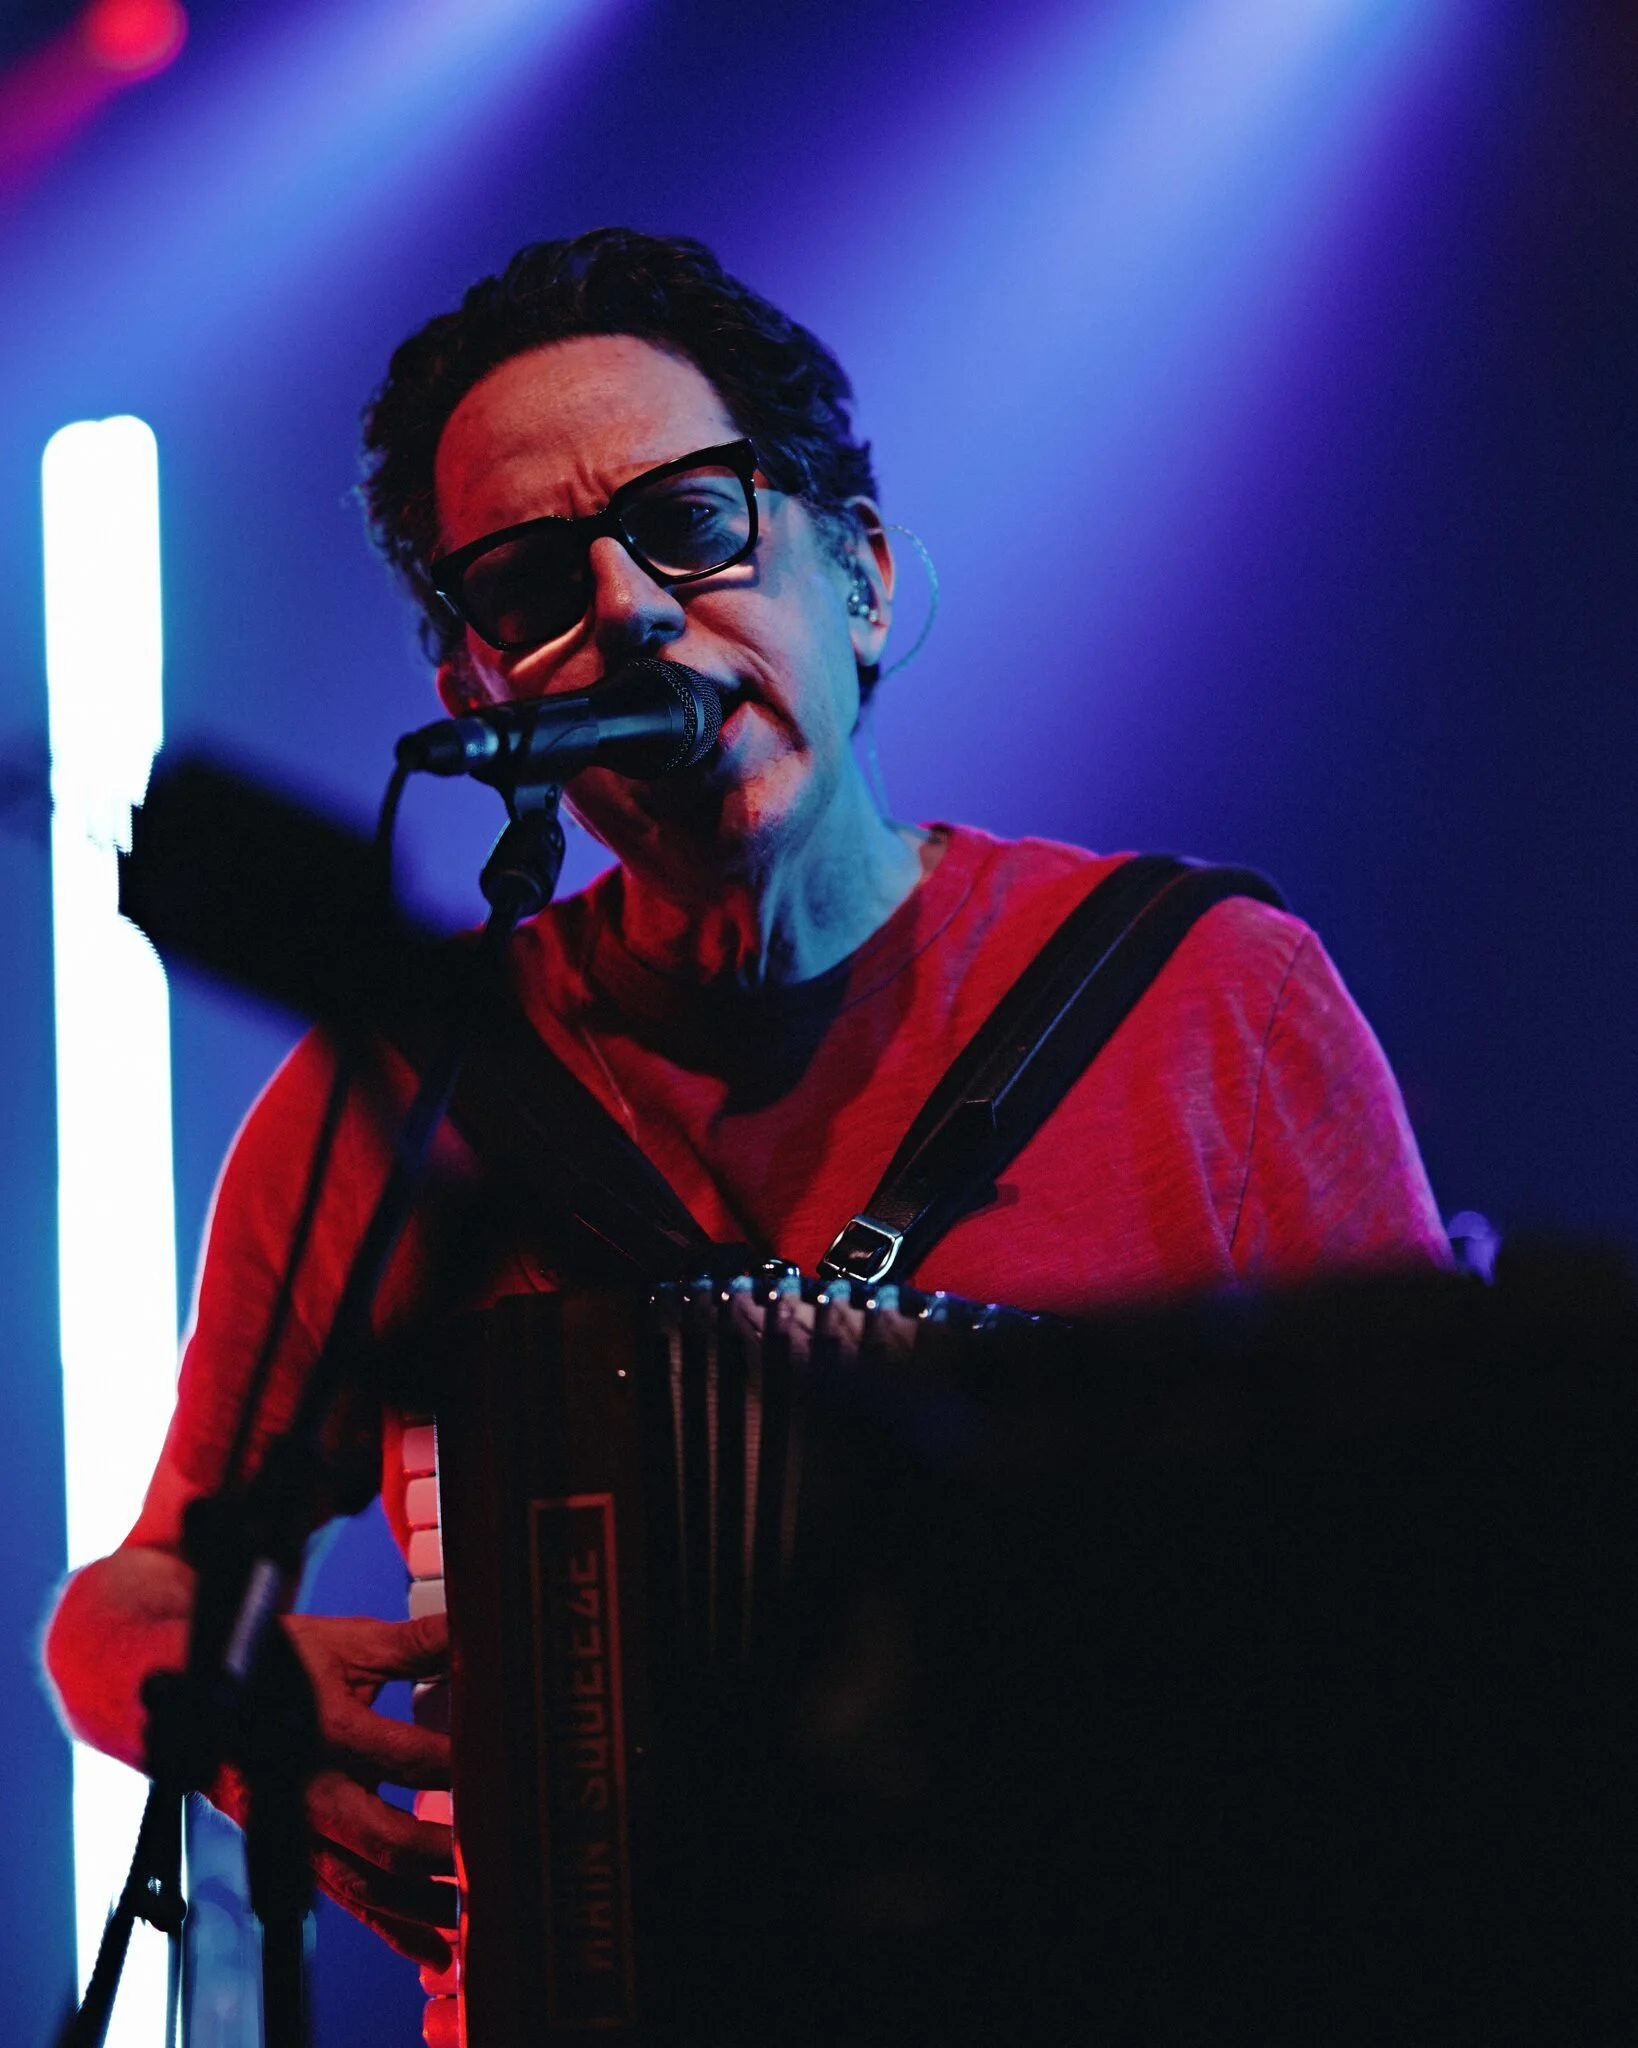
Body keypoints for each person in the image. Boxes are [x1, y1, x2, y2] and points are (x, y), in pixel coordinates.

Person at [44, 228, 1450, 1972]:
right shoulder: (408, 1086)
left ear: (857, 579)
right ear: (479, 693)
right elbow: (134, 1600)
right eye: (530, 585)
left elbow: (1461, 1563)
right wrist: (217, 1698)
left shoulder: (1201, 997)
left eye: (692, 521)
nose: (628, 609)